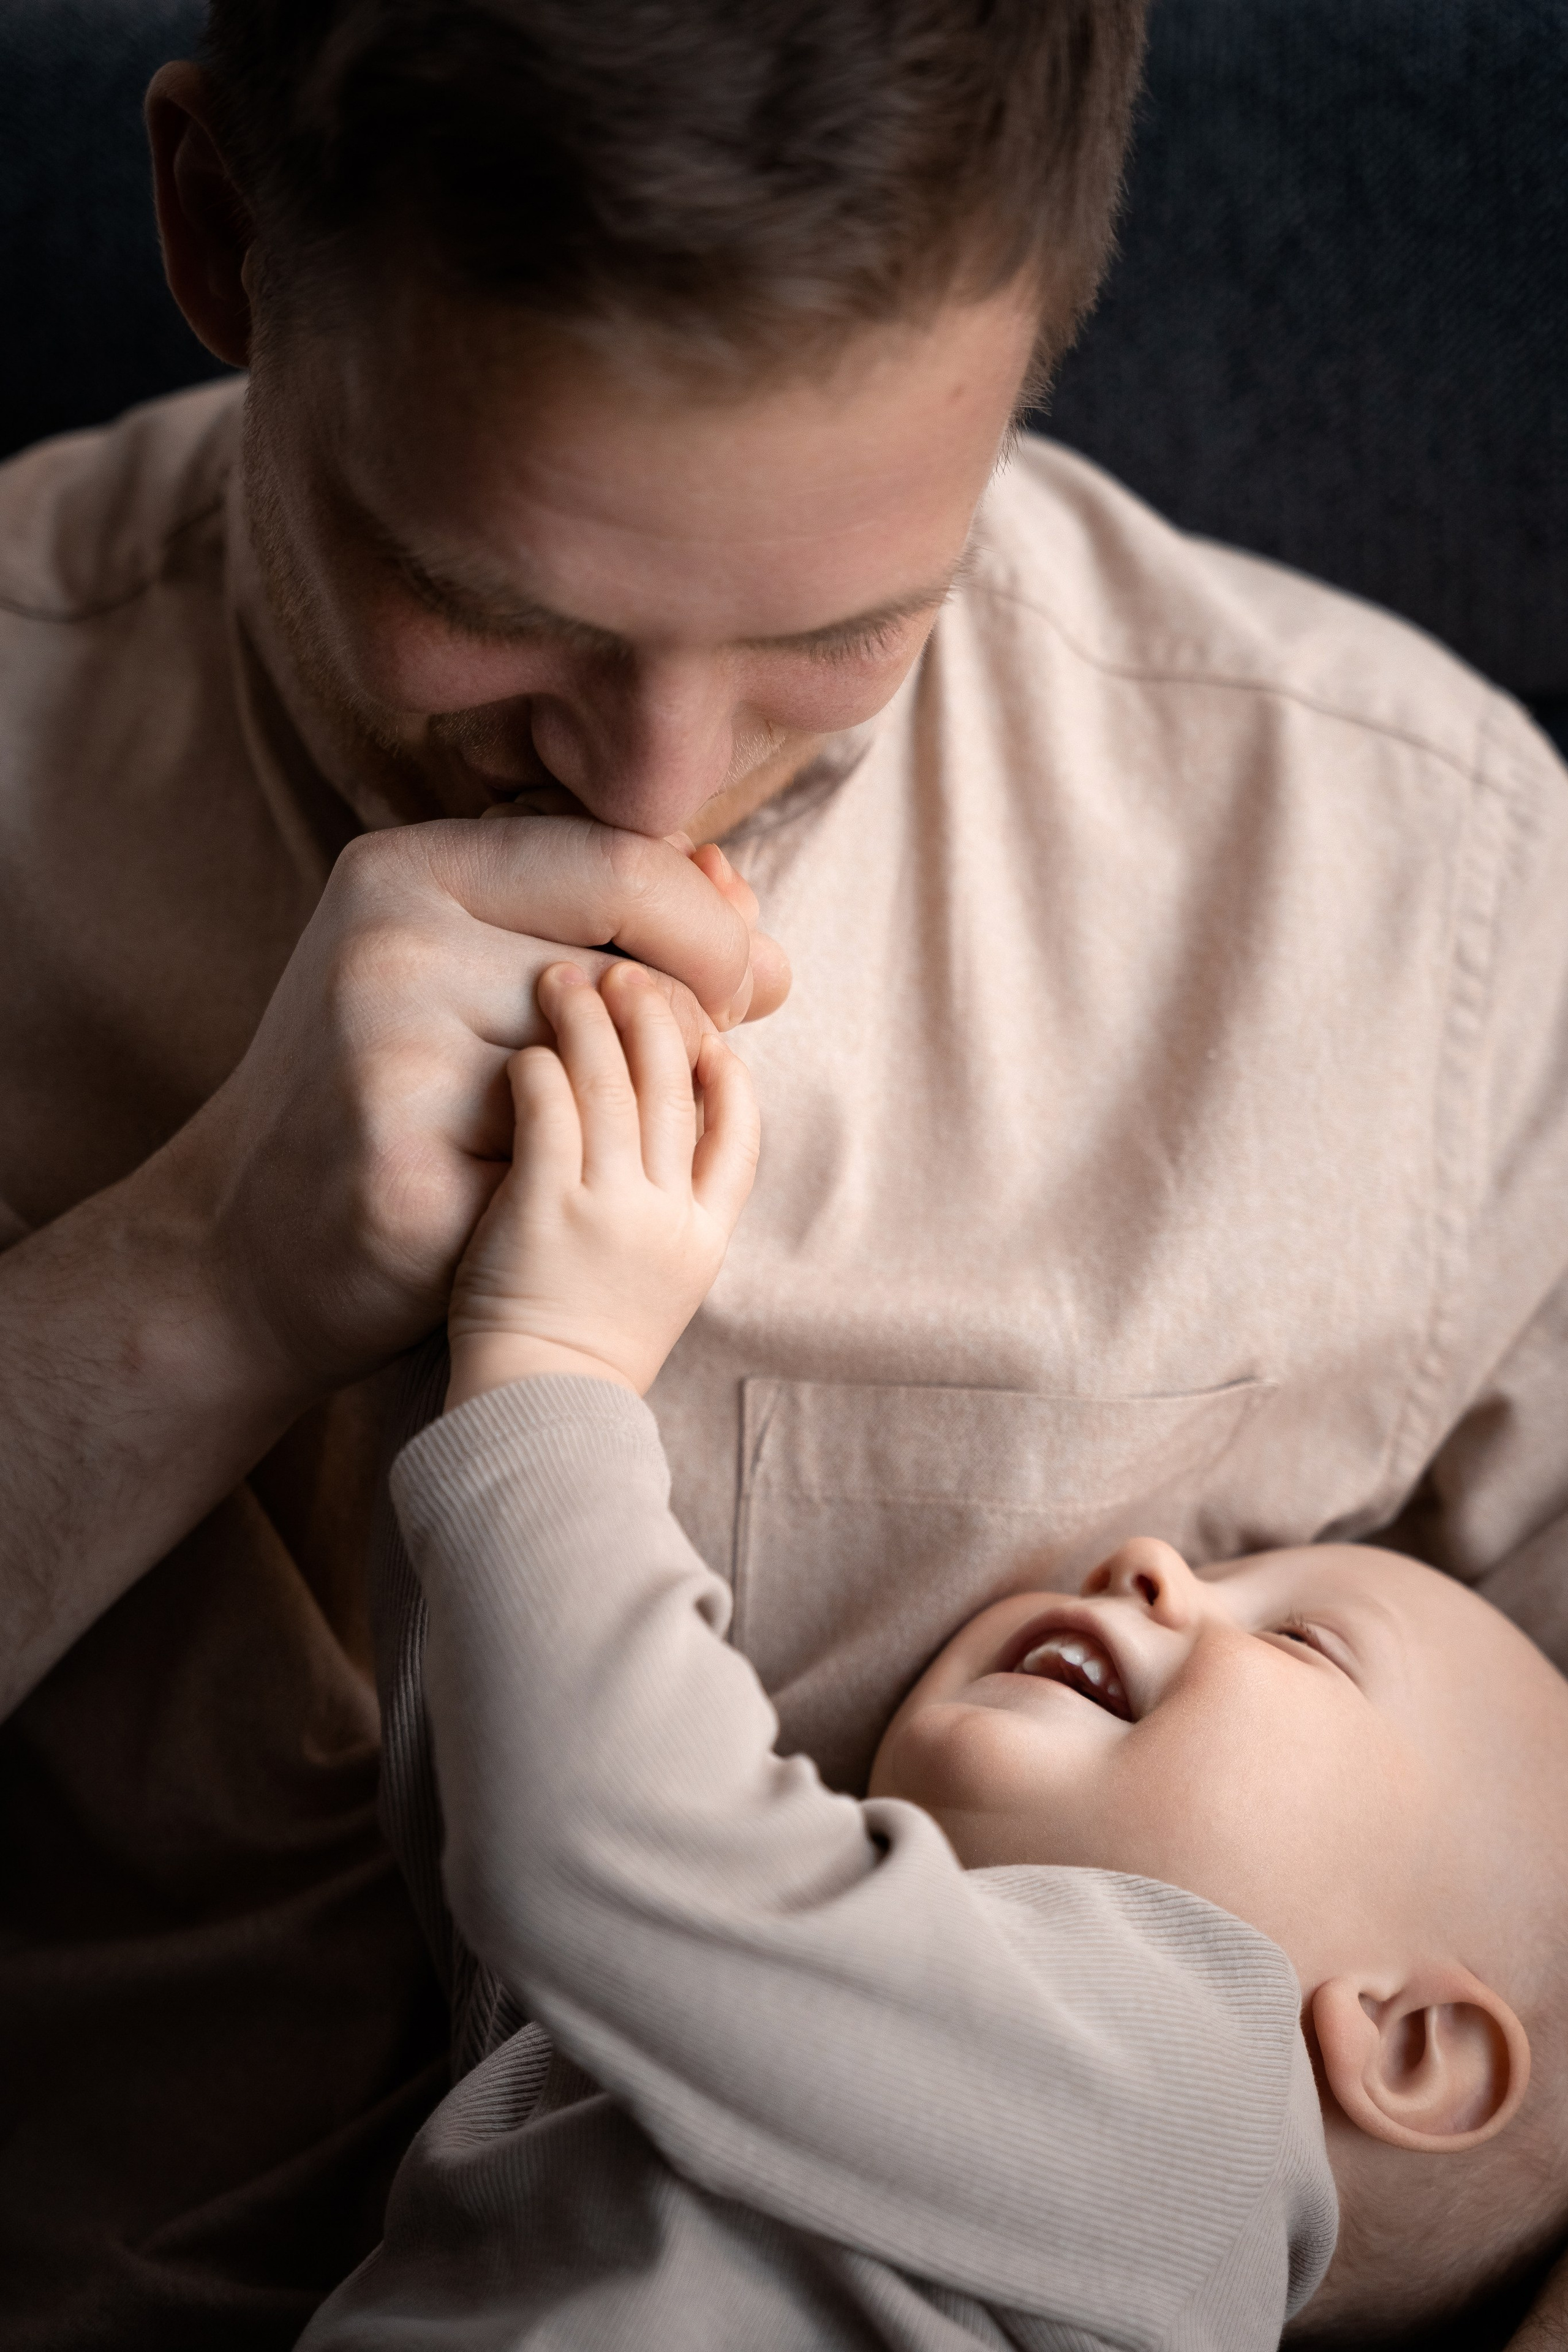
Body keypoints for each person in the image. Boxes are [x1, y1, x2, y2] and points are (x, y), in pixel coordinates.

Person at [2, 1, 1567, 2343]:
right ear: (225, 234)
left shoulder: (1420, 903)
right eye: (503, 608)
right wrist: (190, 1285)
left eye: (846, 639)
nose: (655, 789)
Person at [302, 960, 1568, 2350]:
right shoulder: (798, 2060)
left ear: (1408, 2047)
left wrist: (548, 1355)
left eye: (1304, 1644)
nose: (1149, 1567)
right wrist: (468, 1348)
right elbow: (517, 1847)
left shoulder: (1203, 2119)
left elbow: (599, 1854)